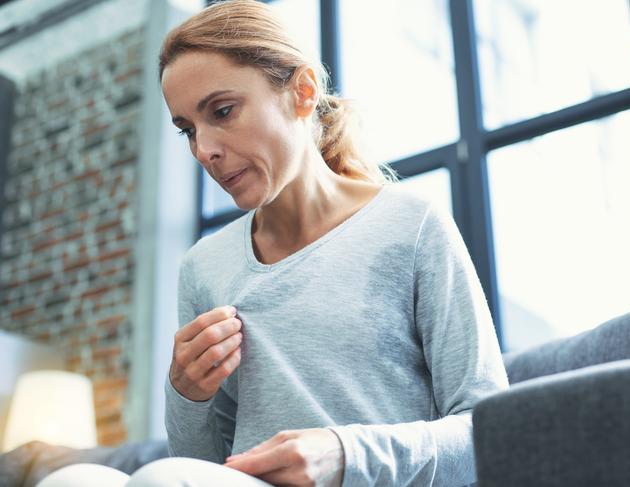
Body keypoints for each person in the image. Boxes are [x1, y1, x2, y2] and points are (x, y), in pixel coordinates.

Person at [36, 1, 508, 485]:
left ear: (302, 92)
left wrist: (345, 454)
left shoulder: (411, 224)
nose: (205, 150)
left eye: (222, 111)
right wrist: (186, 394)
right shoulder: (204, 267)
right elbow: (198, 467)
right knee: (66, 480)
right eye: (188, 131)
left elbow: (489, 433)